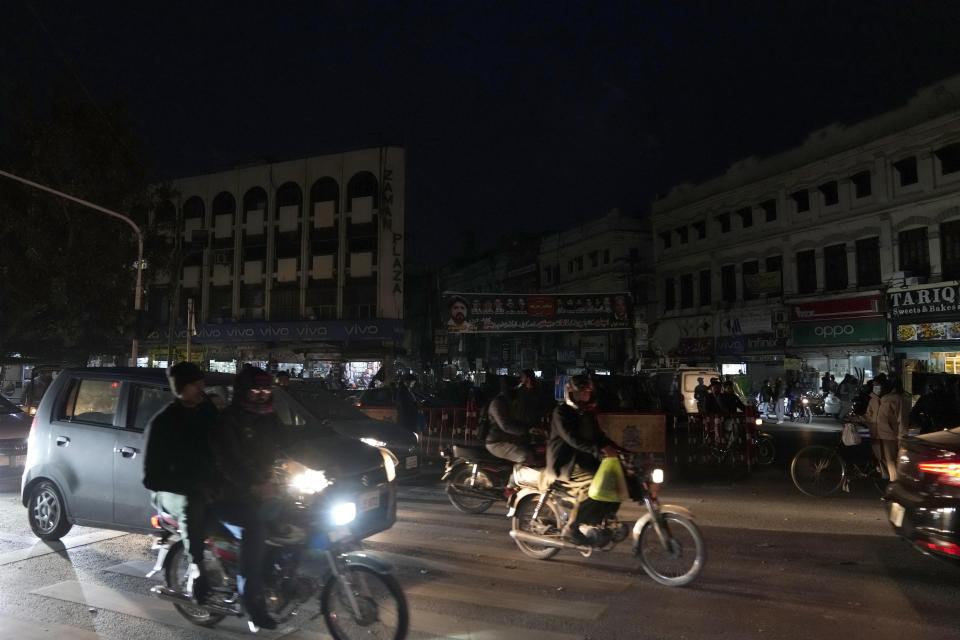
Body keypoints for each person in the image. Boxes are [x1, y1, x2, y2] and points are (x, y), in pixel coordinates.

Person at [209, 367, 283, 629]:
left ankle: (277, 579)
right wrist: (255, 484)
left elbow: (288, 444)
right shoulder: (230, 419)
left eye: (266, 390)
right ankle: (252, 604)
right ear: (243, 391)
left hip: (262, 488)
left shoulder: (270, 417)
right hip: (229, 495)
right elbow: (229, 461)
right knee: (255, 529)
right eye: (256, 390)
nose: (262, 395)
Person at [142, 362, 219, 605]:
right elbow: (152, 476)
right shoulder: (164, 422)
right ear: (181, 387)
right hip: (170, 491)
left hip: (207, 484)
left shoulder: (208, 412)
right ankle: (196, 569)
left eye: (201, 383)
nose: (201, 388)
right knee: (192, 505)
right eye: (195, 384)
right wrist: (191, 484)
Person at [546, 375, 618, 545]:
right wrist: (598, 450)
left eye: (587, 393)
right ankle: (571, 526)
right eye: (581, 393)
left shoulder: (587, 414)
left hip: (584, 460)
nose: (584, 396)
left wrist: (619, 450)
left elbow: (600, 437)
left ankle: (600, 520)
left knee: (614, 480)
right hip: (565, 463)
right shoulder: (561, 412)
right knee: (595, 484)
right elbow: (572, 439)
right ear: (571, 394)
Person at [485, 377, 536, 464]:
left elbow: (515, 421)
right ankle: (514, 478)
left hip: (506, 438)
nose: (517, 390)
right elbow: (506, 426)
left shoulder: (507, 402)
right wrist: (526, 431)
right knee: (525, 456)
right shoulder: (497, 403)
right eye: (515, 388)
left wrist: (530, 428)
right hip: (497, 442)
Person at [863, 374, 898, 481]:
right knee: (880, 457)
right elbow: (869, 415)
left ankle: (895, 482)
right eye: (874, 385)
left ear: (883, 386)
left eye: (877, 385)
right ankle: (886, 477)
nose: (875, 387)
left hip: (888, 434)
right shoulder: (873, 399)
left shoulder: (892, 399)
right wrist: (858, 418)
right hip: (875, 433)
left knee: (890, 459)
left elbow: (898, 417)